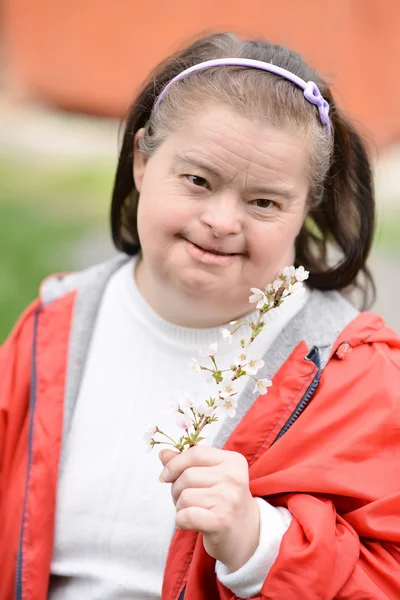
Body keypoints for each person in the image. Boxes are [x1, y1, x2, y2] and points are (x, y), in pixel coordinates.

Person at [1, 31, 399, 600]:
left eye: (263, 202)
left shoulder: (352, 371)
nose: (221, 220)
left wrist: (260, 543)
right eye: (197, 181)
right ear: (142, 160)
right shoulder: (53, 326)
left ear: (305, 207)